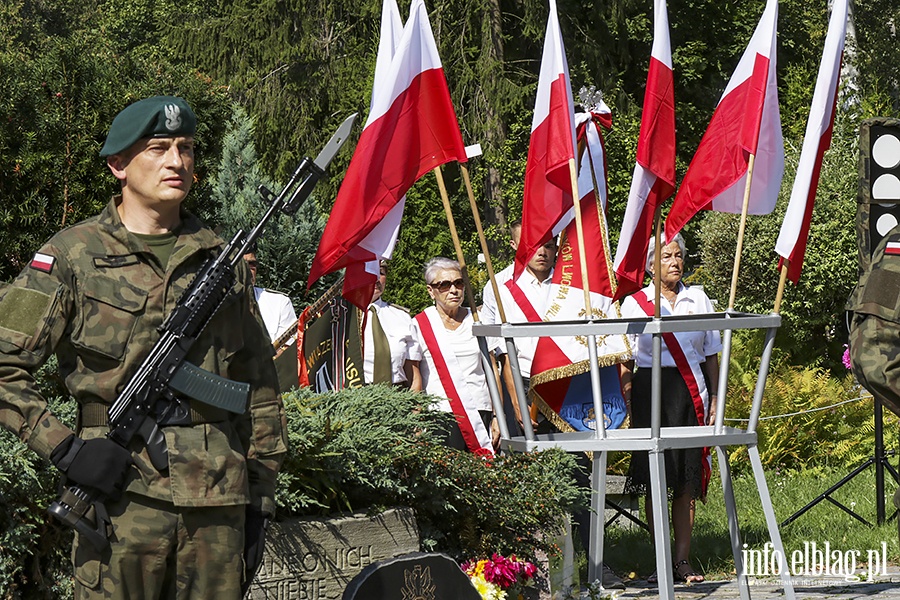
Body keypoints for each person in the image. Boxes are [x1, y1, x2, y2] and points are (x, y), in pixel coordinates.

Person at [0, 96, 287, 598]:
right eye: (158, 148)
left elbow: (258, 384)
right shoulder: (71, 256)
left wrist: (261, 496)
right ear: (118, 165)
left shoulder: (223, 262)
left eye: (187, 148)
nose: (177, 161)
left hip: (217, 508)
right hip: (121, 504)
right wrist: (65, 449)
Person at [619, 233, 721, 584]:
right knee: (656, 479)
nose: (675, 262)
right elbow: (626, 359)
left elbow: (710, 352)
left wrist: (717, 397)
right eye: (666, 256)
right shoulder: (635, 303)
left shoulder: (698, 298)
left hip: (689, 391)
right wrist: (628, 397)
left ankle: (682, 561)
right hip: (650, 392)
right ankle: (661, 559)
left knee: (685, 481)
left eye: (678, 255)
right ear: (650, 265)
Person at [411, 257, 498, 454]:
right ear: (430, 290)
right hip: (440, 415)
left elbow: (492, 369)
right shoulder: (419, 324)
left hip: (479, 411)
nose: (453, 290)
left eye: (459, 283)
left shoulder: (478, 320)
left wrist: (497, 417)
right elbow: (415, 380)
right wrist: (415, 421)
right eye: (444, 285)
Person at [480, 220, 555, 433]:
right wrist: (514, 401)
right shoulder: (501, 287)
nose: (541, 252)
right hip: (523, 380)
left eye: (548, 245)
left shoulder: (568, 285)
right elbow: (501, 352)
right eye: (533, 245)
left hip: (564, 381)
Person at [363, 261, 422, 389]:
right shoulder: (342, 316)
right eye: (370, 271)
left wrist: (416, 406)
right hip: (353, 399)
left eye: (381, 272)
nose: (376, 278)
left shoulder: (402, 317)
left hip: (396, 397)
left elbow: (413, 374)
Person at [244, 248, 297, 342]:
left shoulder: (279, 303)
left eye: (252, 264)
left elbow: (287, 348)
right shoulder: (216, 303)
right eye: (242, 264)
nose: (249, 269)